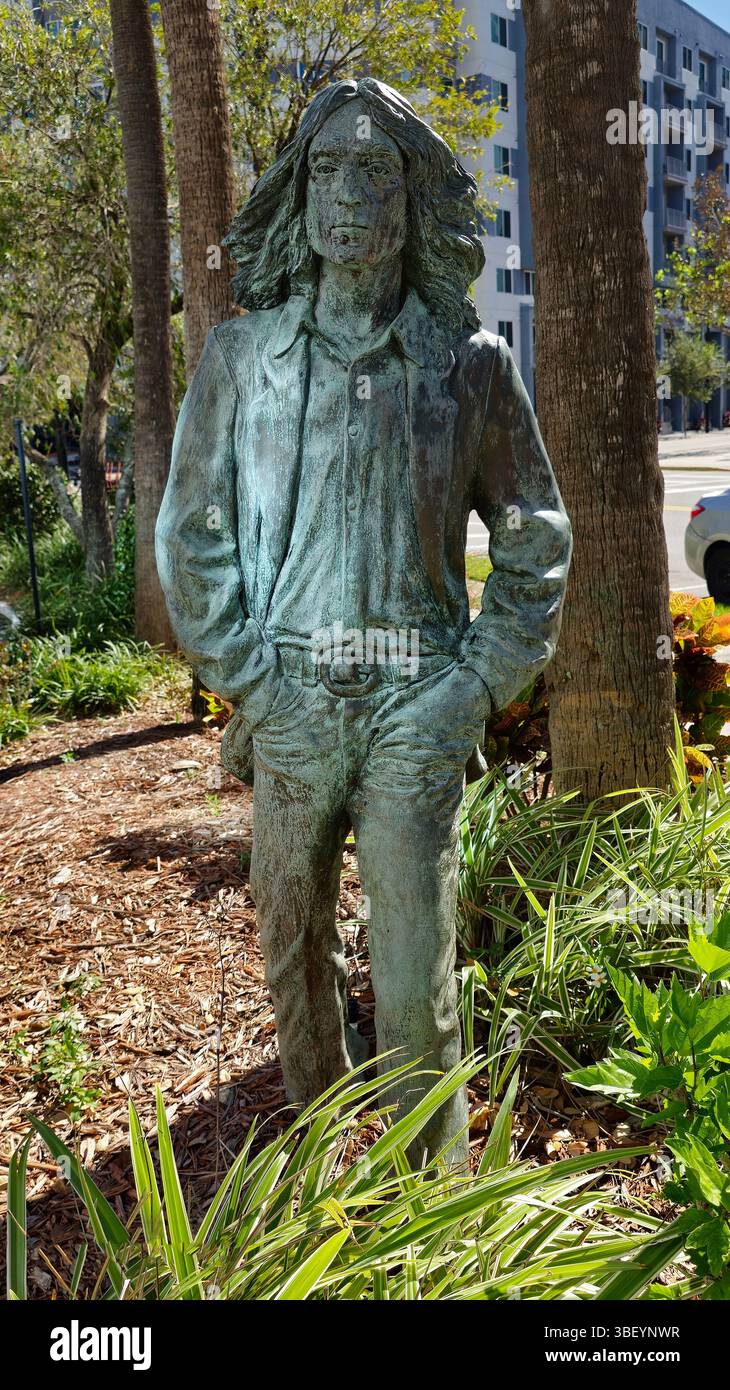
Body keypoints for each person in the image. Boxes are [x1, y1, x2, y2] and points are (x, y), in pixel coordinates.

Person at [156, 78, 572, 1167]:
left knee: (410, 969)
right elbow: (190, 532)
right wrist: (252, 678)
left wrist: (474, 686)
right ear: (297, 200)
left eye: (375, 170)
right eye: (326, 170)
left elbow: (532, 535)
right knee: (288, 950)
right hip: (289, 696)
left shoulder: (467, 367)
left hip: (414, 704)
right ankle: (319, 1171)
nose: (348, 192)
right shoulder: (242, 361)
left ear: (407, 200)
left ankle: (428, 1203)